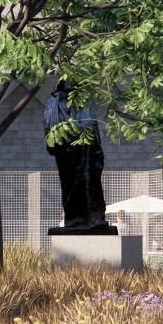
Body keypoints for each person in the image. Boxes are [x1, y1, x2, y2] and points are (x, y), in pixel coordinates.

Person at [43, 80, 111, 232]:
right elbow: (50, 128)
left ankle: (92, 218)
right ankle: (77, 219)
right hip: (68, 152)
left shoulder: (83, 100)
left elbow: (92, 126)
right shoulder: (54, 103)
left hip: (84, 150)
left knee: (88, 183)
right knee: (72, 185)